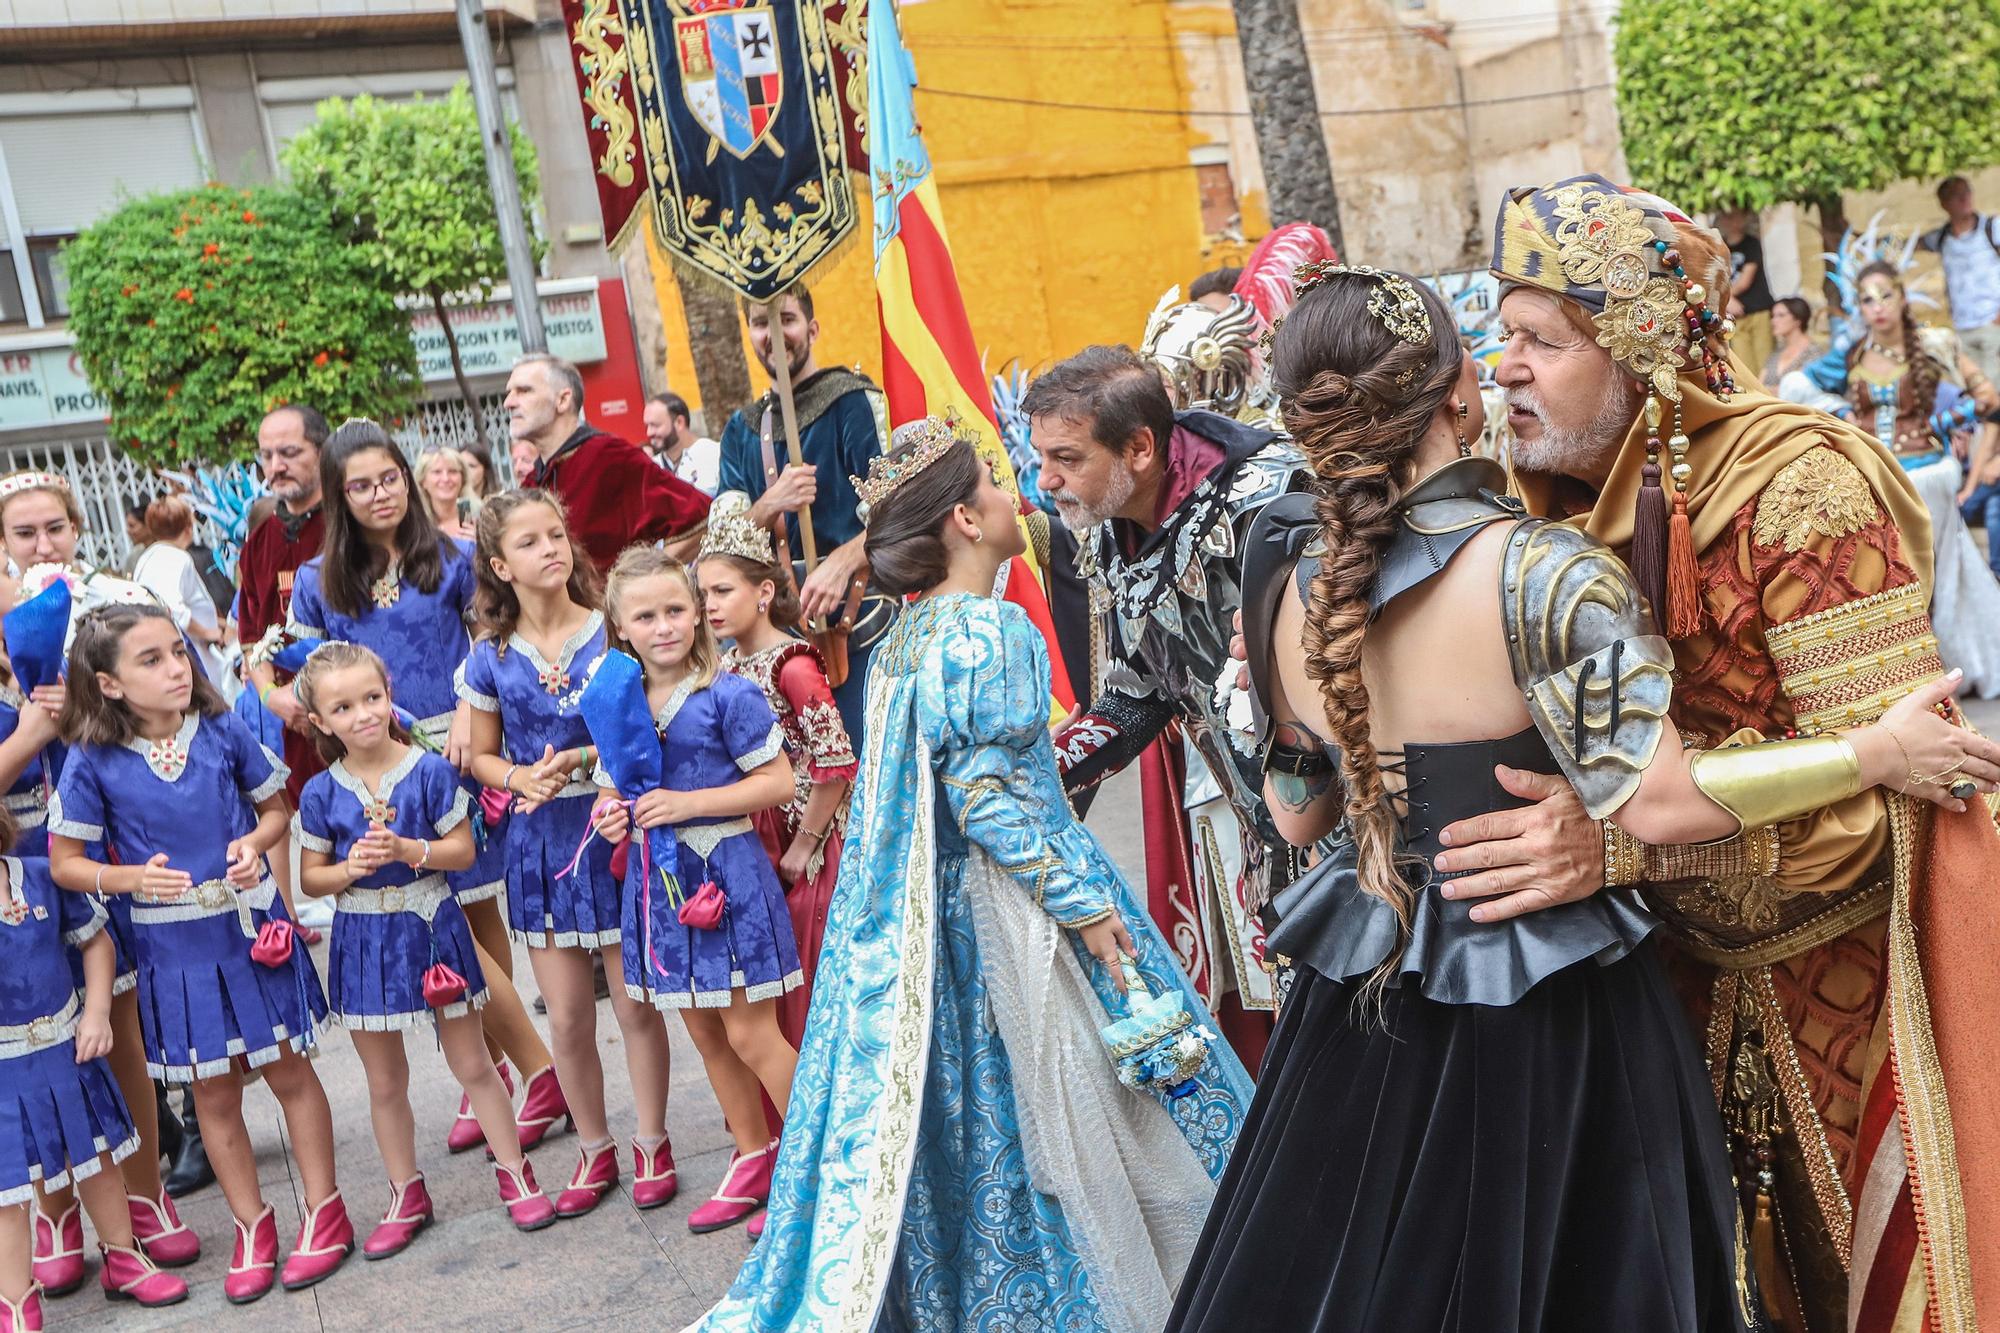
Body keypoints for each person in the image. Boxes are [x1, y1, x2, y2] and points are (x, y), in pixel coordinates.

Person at [1173, 263, 2000, 1332]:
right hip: (1543, 1002)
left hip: (1364, 998)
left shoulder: (1288, 586)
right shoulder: (1542, 572)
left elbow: (1294, 812)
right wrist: (1872, 752)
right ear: (1457, 393)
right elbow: (1658, 803)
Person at [1455, 173, 2000, 1330]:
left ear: (1638, 347)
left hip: (1846, 1008)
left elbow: (1894, 797)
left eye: (1539, 339)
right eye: (1501, 335)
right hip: (1668, 1005)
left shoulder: (1797, 485)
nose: (1504, 365)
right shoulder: (1537, 503)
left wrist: (1620, 847)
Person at [690, 417, 1252, 1333]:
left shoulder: (910, 636)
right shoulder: (989, 632)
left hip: (941, 919)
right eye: (992, 481)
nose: (1010, 492)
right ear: (963, 517)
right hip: (1019, 904)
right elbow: (986, 796)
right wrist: (1084, 908)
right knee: (1077, 1106)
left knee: (974, 1122)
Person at [49, 603, 349, 1304]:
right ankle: (252, 1224)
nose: (176, 668)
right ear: (109, 683)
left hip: (248, 930)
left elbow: (275, 808)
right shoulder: (92, 761)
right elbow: (65, 861)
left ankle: (323, 1206)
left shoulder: (220, 728)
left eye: (178, 652)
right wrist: (125, 878)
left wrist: (253, 844)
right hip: (170, 947)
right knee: (210, 1090)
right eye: (151, 659)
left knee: (289, 1070)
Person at [284, 420, 564, 1159]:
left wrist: (473, 723)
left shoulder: (454, 556)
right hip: (375, 766)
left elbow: (489, 639)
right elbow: (292, 664)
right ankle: (508, 1072)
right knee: (454, 927)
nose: (381, 494)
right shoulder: (318, 583)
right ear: (339, 497)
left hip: (450, 755)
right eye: (362, 485)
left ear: (408, 479)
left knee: (473, 919)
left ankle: (534, 1073)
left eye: (390, 478)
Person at [1030, 345, 1304, 1065]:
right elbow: (1138, 696)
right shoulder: (1113, 528)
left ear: (1141, 448)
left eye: (1066, 456)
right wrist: (1033, 769)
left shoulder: (1269, 506)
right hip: (1269, 836)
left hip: (1353, 828)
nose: (1046, 479)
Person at [290, 641, 557, 1252]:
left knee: (473, 1064)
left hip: (434, 922)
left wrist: (413, 852)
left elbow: (462, 852)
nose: (363, 715)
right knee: (384, 1081)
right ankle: (405, 1191)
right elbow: (311, 879)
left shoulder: (429, 771)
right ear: (321, 722)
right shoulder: (319, 794)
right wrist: (351, 868)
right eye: (344, 707)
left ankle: (515, 1173)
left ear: (390, 696)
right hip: (361, 938)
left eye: (373, 698)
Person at [0, 471, 196, 1289]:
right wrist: (31, 726)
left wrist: (76, 707)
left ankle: (141, 1194)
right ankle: (54, 1212)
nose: (42, 546)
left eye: (55, 528)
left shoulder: (98, 613)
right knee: (32, 1043)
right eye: (23, 534)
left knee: (115, 1026)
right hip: (15, 858)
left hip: (88, 844)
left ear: (79, 529)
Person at [459, 490, 677, 1219]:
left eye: (557, 533)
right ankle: (594, 1143)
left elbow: (646, 725)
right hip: (541, 843)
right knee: (568, 1018)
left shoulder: (613, 633)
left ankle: (651, 1139)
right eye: (530, 541)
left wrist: (583, 756)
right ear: (499, 564)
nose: (551, 547)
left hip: (614, 824)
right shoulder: (490, 655)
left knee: (638, 1005)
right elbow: (481, 757)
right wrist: (520, 775)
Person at [591, 548, 801, 1238]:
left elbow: (777, 782)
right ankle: (752, 1154)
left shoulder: (728, 692)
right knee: (707, 1033)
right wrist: (611, 812)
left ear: (697, 612)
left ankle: (816, 1164)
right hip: (658, 888)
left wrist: (685, 803)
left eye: (675, 609)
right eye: (645, 615)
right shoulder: (618, 700)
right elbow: (610, 790)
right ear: (620, 626)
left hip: (725, 877)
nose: (664, 626)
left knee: (749, 1031)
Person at [1781, 261, 2000, 695]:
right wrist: (1841, 413)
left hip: (1928, 478)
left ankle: (1943, 665)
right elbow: (1796, 386)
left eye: (1885, 296)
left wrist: (1939, 422)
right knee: (1883, 573)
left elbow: (1988, 398)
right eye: (1867, 298)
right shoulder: (1853, 353)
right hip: (1875, 475)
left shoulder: (1934, 344)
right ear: (1858, 307)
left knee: (1930, 570)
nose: (1877, 307)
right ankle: (1901, 672)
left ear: (1902, 298)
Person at [0, 820, 189, 1324]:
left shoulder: (40, 876)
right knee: (9, 1187)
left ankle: (123, 1256)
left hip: (69, 1049)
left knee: (97, 1157)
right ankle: (15, 1299)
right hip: (4, 1068)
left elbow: (95, 942)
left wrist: (98, 1011)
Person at [699, 499, 856, 1051]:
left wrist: (803, 846)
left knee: (810, 983)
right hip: (754, 837)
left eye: (723, 591)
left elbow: (834, 762)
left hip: (805, 840)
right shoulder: (722, 667)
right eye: (704, 595)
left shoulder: (793, 664)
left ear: (763, 593)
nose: (710, 607)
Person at [715, 283, 892, 739]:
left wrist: (843, 560)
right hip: (778, 629)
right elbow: (722, 541)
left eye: (786, 320)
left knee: (869, 763)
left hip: (860, 616)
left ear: (811, 328)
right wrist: (769, 504)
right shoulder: (741, 429)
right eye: (760, 323)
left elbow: (897, 507)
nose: (774, 334)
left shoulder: (852, 402)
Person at [507, 354, 710, 573]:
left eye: (524, 391)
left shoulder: (609, 455)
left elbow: (703, 519)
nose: (508, 402)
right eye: (509, 392)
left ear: (563, 400)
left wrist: (636, 583)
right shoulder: (530, 483)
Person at [240, 403, 331, 806]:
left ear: (322, 452)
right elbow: (251, 639)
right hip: (298, 728)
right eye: (267, 455)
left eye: (290, 453)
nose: (276, 466)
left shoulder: (350, 528)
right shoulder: (260, 541)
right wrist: (271, 697)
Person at [131, 495, 230, 690]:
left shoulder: (147, 559)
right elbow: (174, 610)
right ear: (188, 528)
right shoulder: (177, 558)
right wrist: (208, 632)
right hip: (194, 656)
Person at [1919, 176, 2000, 387]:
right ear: (1944, 204)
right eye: (1956, 195)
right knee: (1973, 391)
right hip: (1962, 327)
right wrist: (1855, 234)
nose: (1964, 199)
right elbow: (1906, 244)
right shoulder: (1941, 237)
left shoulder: (1992, 228)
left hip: (1993, 323)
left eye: (1967, 192)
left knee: (1994, 391)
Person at [1718, 208, 1776, 376]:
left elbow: (1745, 280)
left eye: (1735, 216)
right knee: (1745, 367)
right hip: (1734, 315)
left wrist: (1728, 297)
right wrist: (1728, 301)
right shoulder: (1719, 246)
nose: (1731, 221)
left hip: (1758, 309)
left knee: (1765, 361)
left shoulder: (1751, 244)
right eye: (1726, 217)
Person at [643, 391, 721, 496]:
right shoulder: (651, 467)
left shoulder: (714, 455)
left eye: (655, 425)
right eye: (647, 426)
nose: (649, 432)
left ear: (679, 422)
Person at [414, 446, 476, 541]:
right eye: (437, 472)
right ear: (423, 481)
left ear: (463, 479)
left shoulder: (480, 518)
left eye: (452, 471)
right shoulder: (415, 527)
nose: (446, 479)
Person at [1762, 295, 1818, 385]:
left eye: (1781, 315)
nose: (1773, 321)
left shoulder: (1813, 353)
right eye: (1773, 316)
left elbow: (1801, 387)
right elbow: (1759, 384)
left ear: (1797, 319)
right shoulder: (1776, 353)